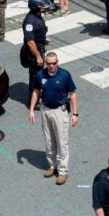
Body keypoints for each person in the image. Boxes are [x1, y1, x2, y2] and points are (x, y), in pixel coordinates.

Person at [28, 51, 78, 185]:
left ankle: (62, 171)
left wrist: (75, 114)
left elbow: (72, 94)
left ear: (57, 62)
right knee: (49, 141)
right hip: (45, 110)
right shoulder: (40, 75)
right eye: (49, 63)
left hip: (59, 112)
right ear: (45, 63)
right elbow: (36, 91)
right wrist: (32, 110)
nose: (51, 66)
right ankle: (52, 166)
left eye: (54, 63)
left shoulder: (65, 75)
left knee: (62, 142)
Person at [22, 0, 49, 98]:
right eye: (42, 5)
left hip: (39, 49)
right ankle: (34, 100)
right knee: (35, 77)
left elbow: (36, 34)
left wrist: (43, 39)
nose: (44, 7)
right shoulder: (30, 21)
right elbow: (30, 41)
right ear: (36, 7)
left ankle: (39, 93)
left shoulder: (37, 16)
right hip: (34, 53)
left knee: (39, 75)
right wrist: (38, 56)